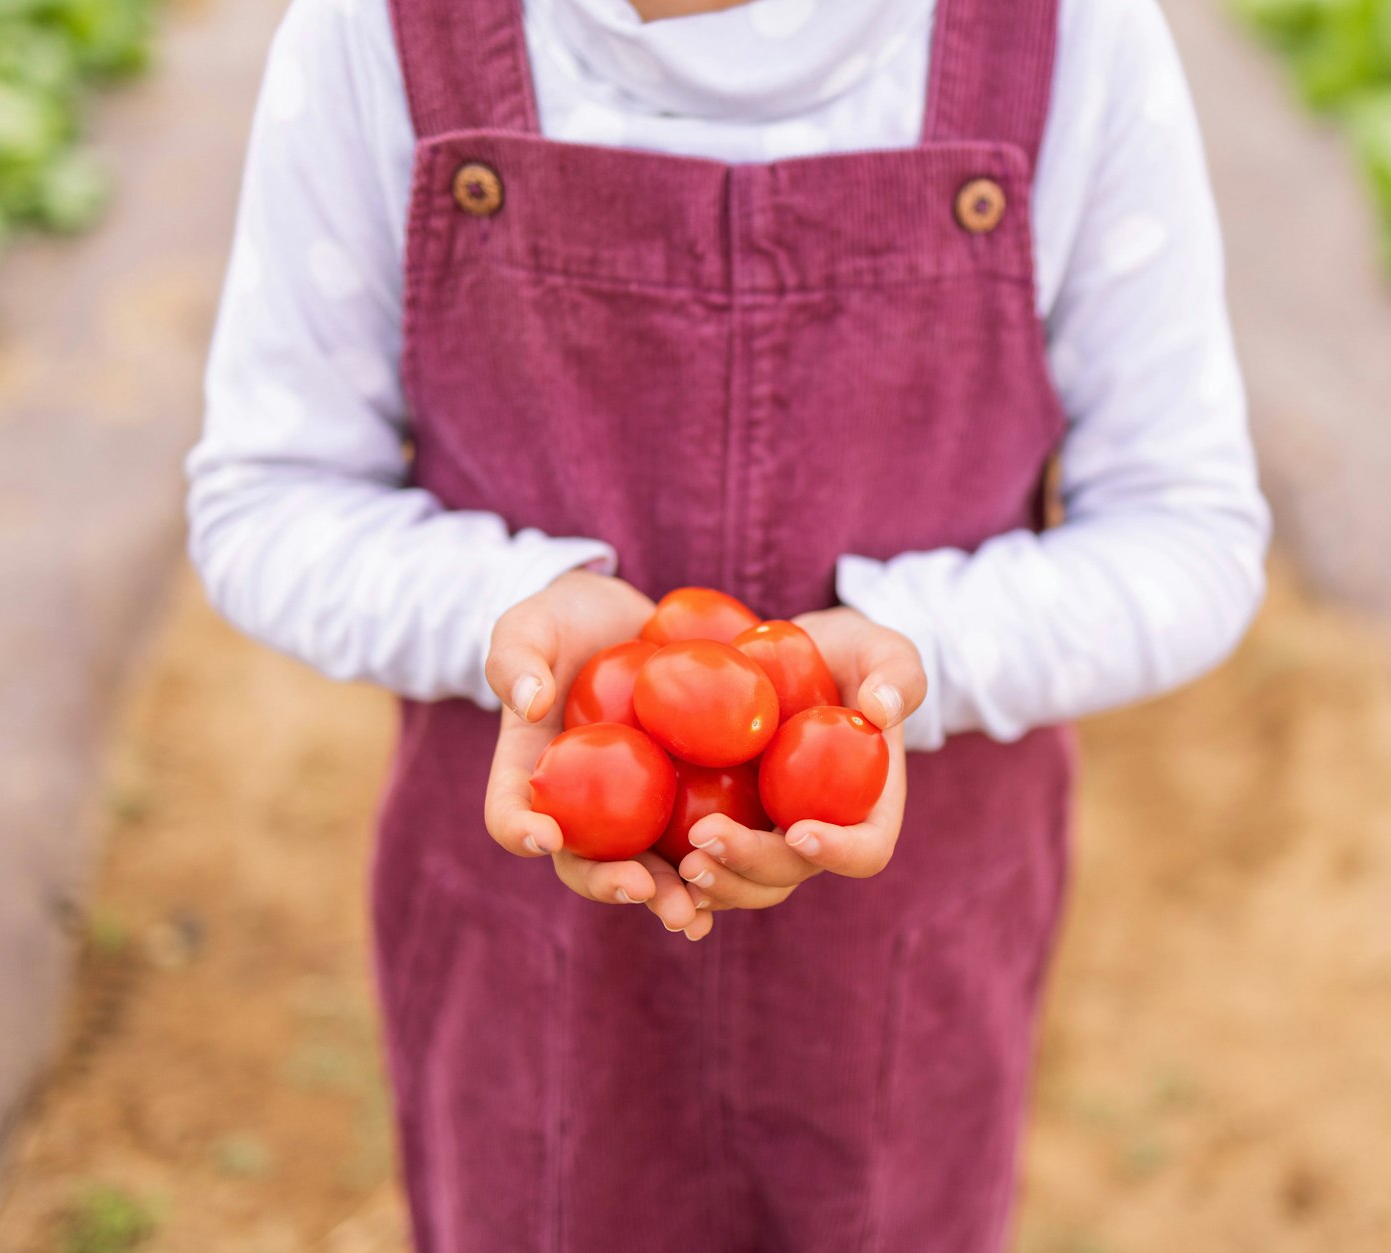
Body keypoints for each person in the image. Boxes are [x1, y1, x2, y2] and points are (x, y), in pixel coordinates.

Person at [187, 0, 1269, 1246]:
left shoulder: (1070, 38)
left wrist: (905, 649)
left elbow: (1188, 529)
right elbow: (265, 495)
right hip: (532, 915)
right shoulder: (376, 34)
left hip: (912, 931)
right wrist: (515, 622)